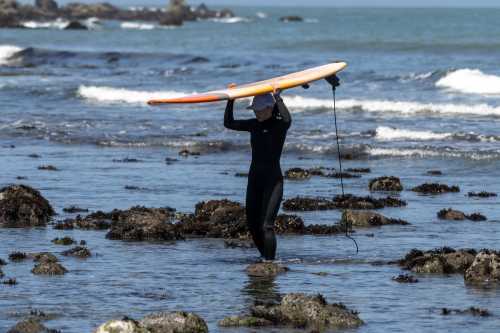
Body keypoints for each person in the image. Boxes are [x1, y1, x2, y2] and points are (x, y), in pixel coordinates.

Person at [224, 90, 291, 261]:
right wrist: (231, 99)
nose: (257, 112)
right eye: (255, 109)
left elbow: (288, 119)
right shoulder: (254, 124)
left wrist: (278, 97)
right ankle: (263, 257)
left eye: (260, 109)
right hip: (254, 180)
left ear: (270, 108)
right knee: (253, 225)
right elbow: (229, 123)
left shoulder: (279, 125)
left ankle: (270, 263)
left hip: (273, 181)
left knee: (267, 225)